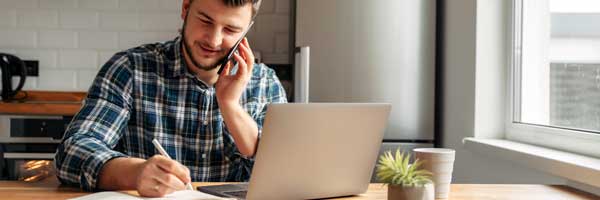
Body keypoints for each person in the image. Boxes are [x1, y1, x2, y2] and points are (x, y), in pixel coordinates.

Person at [53, 0, 287, 197]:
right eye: (205, 21)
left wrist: (230, 107)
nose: (214, 40)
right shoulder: (131, 68)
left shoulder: (265, 83)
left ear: (247, 30)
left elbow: (285, 175)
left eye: (231, 30)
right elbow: (72, 152)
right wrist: (135, 174)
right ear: (185, 8)